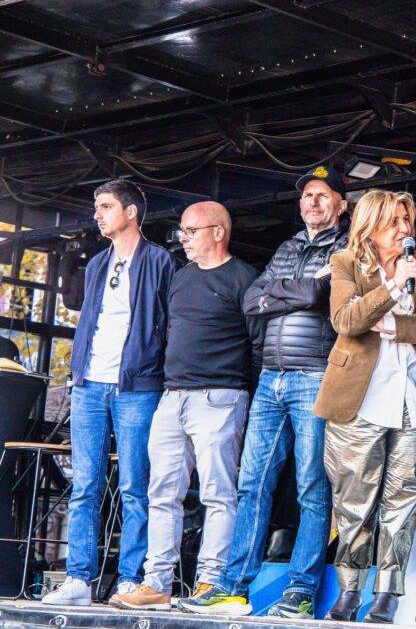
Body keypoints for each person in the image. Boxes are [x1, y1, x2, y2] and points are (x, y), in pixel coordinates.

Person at [178, 165, 349, 619]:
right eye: (307, 195)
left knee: (312, 486)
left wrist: (287, 292)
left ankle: (301, 591)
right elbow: (252, 301)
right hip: (271, 379)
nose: (312, 202)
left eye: (322, 195)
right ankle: (232, 587)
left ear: (341, 205)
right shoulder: (287, 247)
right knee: (252, 483)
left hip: (315, 375)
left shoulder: (349, 246)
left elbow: (321, 297)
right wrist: (298, 290)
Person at [314, 190, 416, 624]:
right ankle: (349, 590)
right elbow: (347, 321)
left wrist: (398, 325)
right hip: (359, 400)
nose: (404, 230)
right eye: (394, 221)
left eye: (407, 221)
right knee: (355, 501)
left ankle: (387, 595)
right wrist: (394, 286)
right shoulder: (345, 265)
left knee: (404, 500)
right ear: (370, 227)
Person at [110, 202, 259, 610]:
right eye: (183, 231)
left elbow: (258, 345)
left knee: (218, 493)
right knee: (161, 493)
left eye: (191, 231)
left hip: (220, 396)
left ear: (217, 232)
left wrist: (245, 391)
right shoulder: (180, 278)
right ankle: (157, 581)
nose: (183, 238)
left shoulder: (244, 279)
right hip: (172, 397)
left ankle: (210, 583)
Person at [43, 179, 175, 607]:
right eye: (96, 207)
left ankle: (129, 580)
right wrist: (78, 372)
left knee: (136, 486)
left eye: (105, 206)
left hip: (137, 386)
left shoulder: (160, 261)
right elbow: (90, 321)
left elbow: (169, 324)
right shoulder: (98, 262)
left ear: (130, 212)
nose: (96, 214)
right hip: (89, 386)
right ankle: (78, 579)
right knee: (85, 486)